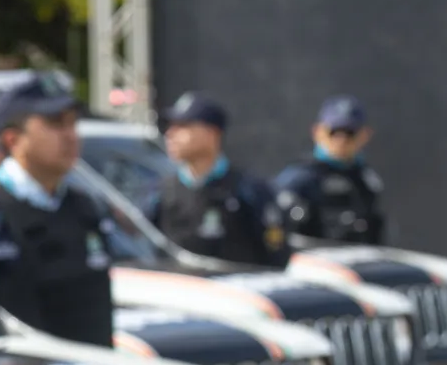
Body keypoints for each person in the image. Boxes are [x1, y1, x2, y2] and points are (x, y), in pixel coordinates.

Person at [0, 74, 115, 346]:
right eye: (55, 123)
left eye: (72, 124)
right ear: (12, 139)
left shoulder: (85, 208)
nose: (70, 136)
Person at [144, 91, 287, 265]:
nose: (170, 134)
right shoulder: (161, 191)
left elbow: (276, 254)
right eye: (171, 126)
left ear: (211, 133)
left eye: (183, 126)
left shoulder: (248, 190)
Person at [273, 94, 385, 244]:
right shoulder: (298, 180)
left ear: (365, 135)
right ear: (317, 132)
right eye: (333, 132)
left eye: (350, 133)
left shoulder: (367, 180)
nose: (341, 140)